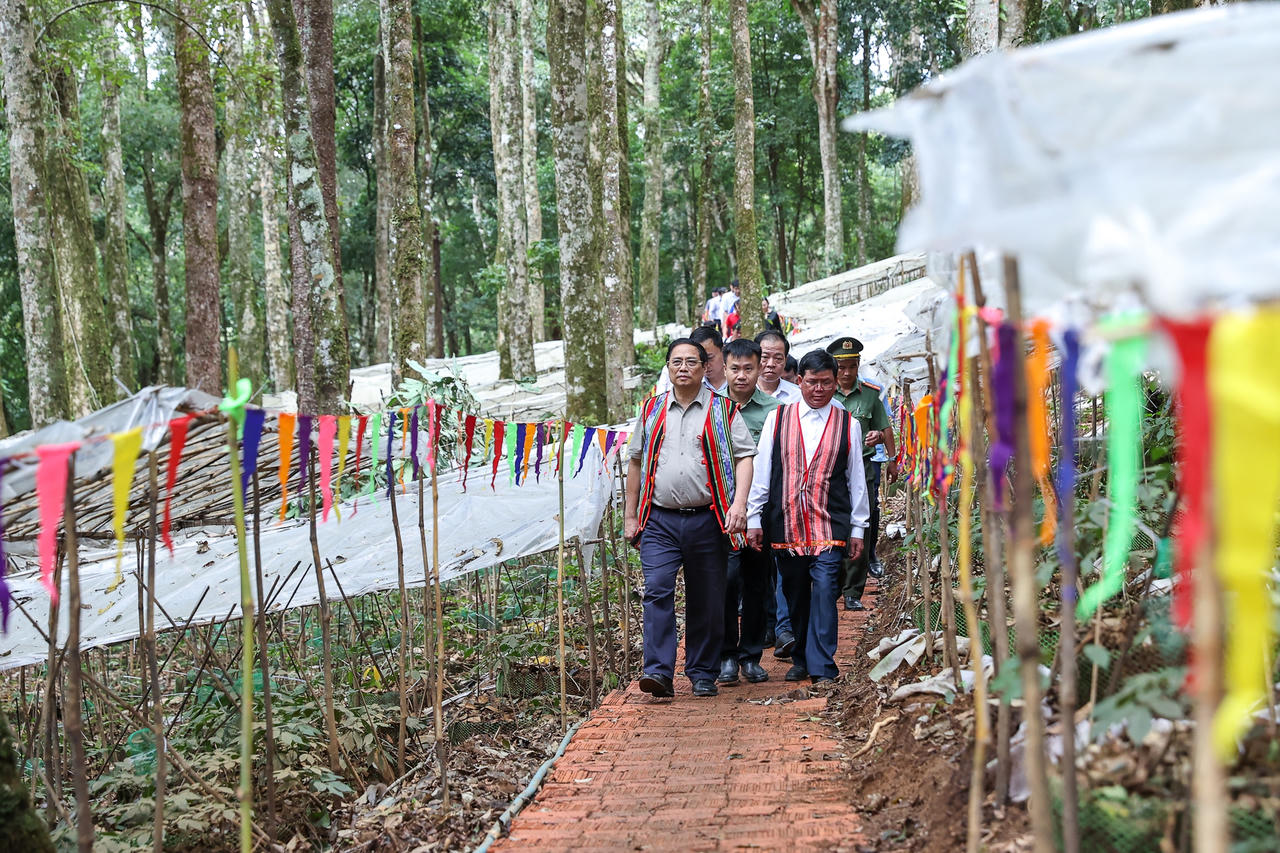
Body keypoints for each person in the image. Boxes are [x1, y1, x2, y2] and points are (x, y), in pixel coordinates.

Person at [625, 339, 756, 698]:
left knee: (707, 597)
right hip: (659, 520)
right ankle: (658, 672)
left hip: (707, 518)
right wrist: (630, 515)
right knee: (656, 590)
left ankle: (701, 672)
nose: (683, 367)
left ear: (704, 368)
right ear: (667, 368)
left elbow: (745, 457)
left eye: (691, 362)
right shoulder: (651, 409)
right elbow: (635, 461)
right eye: (676, 361)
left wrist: (739, 505)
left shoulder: (724, 410)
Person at [747, 349, 869, 684]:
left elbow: (855, 479)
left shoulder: (849, 424)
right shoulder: (778, 419)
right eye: (812, 382)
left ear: (835, 383)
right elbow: (763, 472)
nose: (819, 389)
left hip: (829, 523)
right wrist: (754, 518)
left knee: (827, 589)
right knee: (796, 592)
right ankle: (801, 656)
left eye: (826, 383)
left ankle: (822, 665)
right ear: (799, 381)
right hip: (786, 524)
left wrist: (859, 527)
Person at [715, 339, 780, 686]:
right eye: (735, 368)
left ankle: (750, 656)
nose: (742, 376)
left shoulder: (773, 410)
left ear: (761, 368)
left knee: (757, 583)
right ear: (724, 368)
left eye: (748, 368)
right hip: (719, 513)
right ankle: (726, 654)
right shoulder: (711, 407)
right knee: (725, 583)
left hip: (759, 513)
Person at [827, 336, 897, 611]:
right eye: (841, 367)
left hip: (864, 468)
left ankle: (853, 590)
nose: (846, 373)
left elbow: (886, 428)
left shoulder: (869, 394)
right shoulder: (823, 392)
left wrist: (890, 456)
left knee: (862, 525)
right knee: (834, 524)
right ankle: (833, 583)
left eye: (852, 366)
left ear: (858, 367)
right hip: (831, 470)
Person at [755, 330, 802, 403]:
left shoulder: (798, 396)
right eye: (765, 357)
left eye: (778, 358)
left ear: (785, 361)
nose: (770, 364)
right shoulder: (741, 392)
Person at [690, 325, 728, 393]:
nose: (705, 365)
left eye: (710, 358)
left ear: (723, 351)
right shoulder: (691, 386)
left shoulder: (738, 381)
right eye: (700, 360)